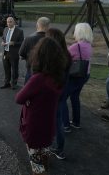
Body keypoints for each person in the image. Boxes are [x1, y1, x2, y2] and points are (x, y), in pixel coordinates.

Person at [15, 37, 67, 175]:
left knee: (36, 163)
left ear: (38, 55)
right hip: (48, 124)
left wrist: (29, 100)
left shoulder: (38, 79)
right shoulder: (58, 76)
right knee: (44, 156)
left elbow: (19, 98)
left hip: (34, 126)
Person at [46, 28, 72, 160]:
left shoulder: (52, 57)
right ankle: (59, 148)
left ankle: (57, 148)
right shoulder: (66, 54)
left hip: (52, 93)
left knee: (55, 121)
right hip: (62, 90)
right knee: (58, 120)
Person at [62, 23, 93, 130]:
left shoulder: (76, 46)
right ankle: (76, 122)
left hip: (74, 75)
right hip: (84, 74)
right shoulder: (88, 45)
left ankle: (65, 125)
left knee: (61, 99)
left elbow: (64, 57)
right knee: (75, 97)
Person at [19, 17, 50, 83]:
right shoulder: (52, 39)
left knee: (28, 92)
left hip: (31, 70)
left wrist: (27, 57)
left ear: (37, 25)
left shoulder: (28, 39)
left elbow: (21, 53)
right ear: (48, 26)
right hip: (47, 71)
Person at [0, 16, 24, 90]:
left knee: (14, 69)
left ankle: (14, 84)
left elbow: (22, 42)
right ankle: (7, 83)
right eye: (8, 22)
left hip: (14, 53)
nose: (9, 23)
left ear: (14, 22)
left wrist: (13, 43)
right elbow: (3, 37)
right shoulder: (5, 29)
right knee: (6, 69)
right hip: (5, 52)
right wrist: (3, 42)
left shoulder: (19, 31)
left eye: (10, 21)